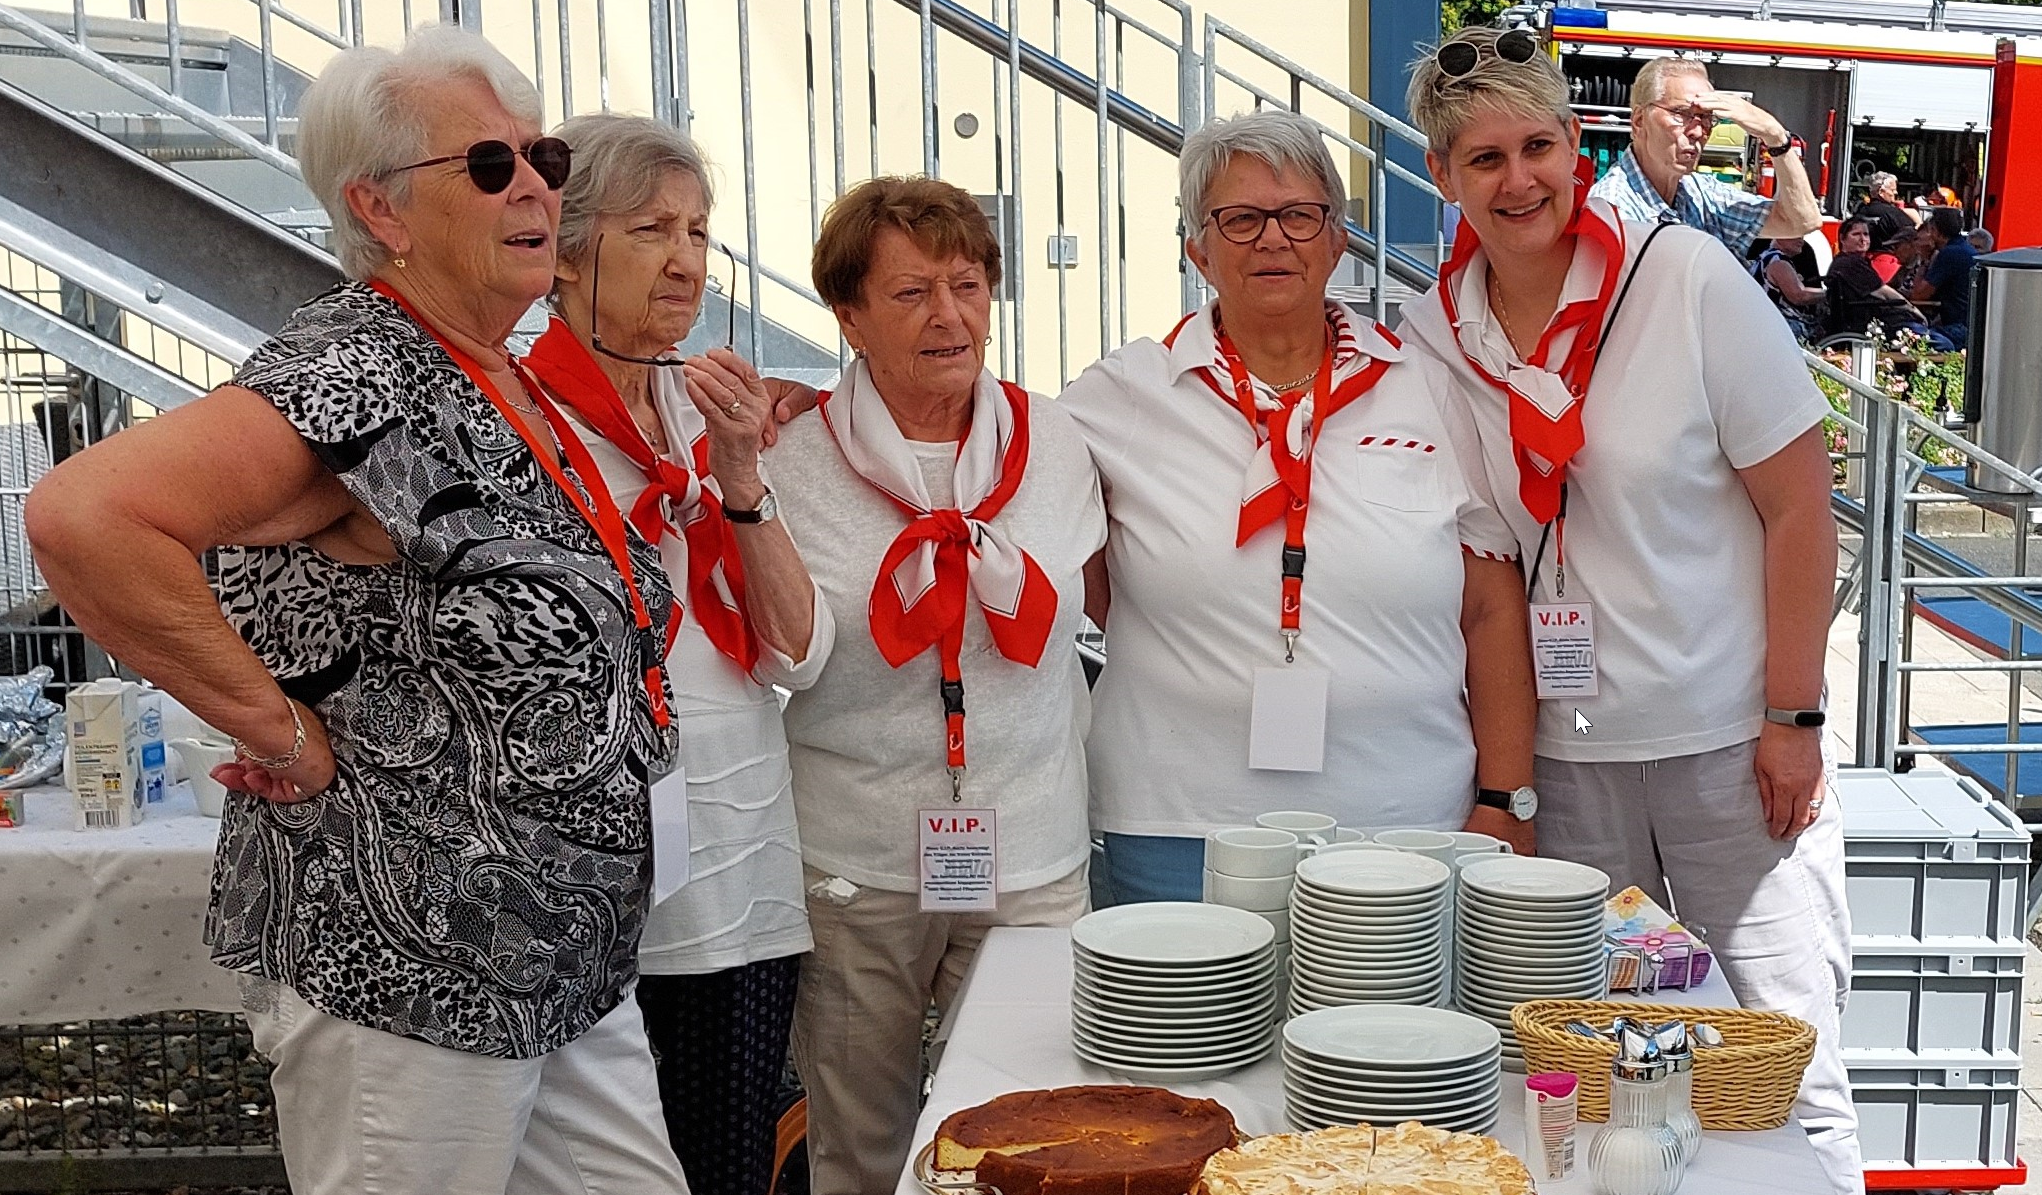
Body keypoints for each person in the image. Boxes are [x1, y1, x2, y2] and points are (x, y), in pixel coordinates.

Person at [24, 26, 692, 1195]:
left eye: (540, 156)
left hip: (559, 951)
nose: (535, 183)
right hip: (412, 964)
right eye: (489, 165)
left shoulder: (483, 359)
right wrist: (277, 728)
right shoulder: (357, 365)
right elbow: (87, 515)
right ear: (379, 210)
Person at [1400, 27, 1861, 1193]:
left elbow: (1800, 508)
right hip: (1566, 763)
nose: (1518, 180)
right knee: (1585, 1069)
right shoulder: (1434, 330)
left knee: (1778, 1069)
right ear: (1442, 174)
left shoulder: (1682, 277)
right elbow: (1489, 561)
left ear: (1574, 145)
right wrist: (1506, 781)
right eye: (1482, 157)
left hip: (1728, 748)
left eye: (1538, 146)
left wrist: (1792, 717)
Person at [1056, 108, 1538, 907]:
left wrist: (1507, 797)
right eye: (1239, 219)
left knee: (1391, 1033)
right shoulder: (1123, 395)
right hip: (1180, 822)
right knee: (1185, 1033)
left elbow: (1490, 606)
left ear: (1337, 239)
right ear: (1197, 251)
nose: (1272, 239)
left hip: (1409, 823)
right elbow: (1002, 468)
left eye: (1298, 215)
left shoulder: (1432, 389)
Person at [772, 176, 1104, 1195]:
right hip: (855, 855)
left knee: (1023, 1123)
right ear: (848, 316)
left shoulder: (1058, 444)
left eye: (967, 284)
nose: (949, 315)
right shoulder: (788, 459)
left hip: (1032, 847)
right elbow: (791, 653)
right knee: (857, 1136)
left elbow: (1076, 613)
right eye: (911, 292)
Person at [522, 112, 830, 1195]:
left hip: (738, 858)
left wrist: (740, 477)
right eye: (651, 227)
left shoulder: (703, 415)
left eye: (699, 231)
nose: (686, 259)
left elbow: (796, 649)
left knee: (739, 1150)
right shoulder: (523, 421)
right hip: (591, 880)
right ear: (562, 251)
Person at [1590, 56, 1821, 257]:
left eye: (1707, 118)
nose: (1698, 132)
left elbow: (1801, 221)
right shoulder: (1612, 209)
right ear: (1639, 120)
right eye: (1681, 114)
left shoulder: (1698, 191)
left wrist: (1775, 136)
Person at [1826, 216, 1949, 348]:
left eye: (1866, 234)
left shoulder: (1845, 262)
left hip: (1873, 322)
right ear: (1842, 239)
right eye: (1856, 234)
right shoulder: (1851, 263)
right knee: (1944, 344)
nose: (1863, 239)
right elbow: (1884, 292)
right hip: (1877, 325)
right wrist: (1913, 310)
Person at [1911, 205, 1976, 347]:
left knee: (1908, 334)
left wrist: (1924, 259)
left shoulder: (1948, 254)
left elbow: (1919, 294)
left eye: (1931, 230)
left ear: (1937, 232)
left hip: (1958, 329)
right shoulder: (1966, 249)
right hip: (1973, 325)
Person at [1758, 234, 1827, 341]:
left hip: (1770, 324)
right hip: (1781, 328)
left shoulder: (1766, 257)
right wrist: (1828, 294)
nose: (1801, 238)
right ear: (1779, 236)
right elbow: (1799, 295)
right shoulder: (1778, 262)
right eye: (1794, 234)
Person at [1854, 170, 1919, 247]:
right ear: (1881, 192)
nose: (1896, 193)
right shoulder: (1893, 213)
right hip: (1889, 255)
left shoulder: (1861, 211)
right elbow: (1911, 234)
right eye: (1892, 190)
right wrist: (1918, 223)